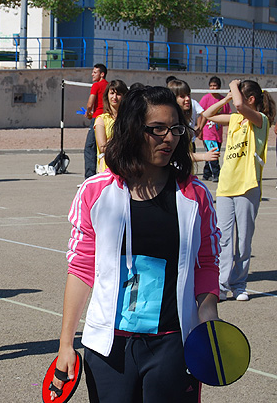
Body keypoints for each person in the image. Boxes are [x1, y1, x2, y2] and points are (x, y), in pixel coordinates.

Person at [50, 86, 220, 402]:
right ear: (132, 130)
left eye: (175, 129)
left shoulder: (195, 196)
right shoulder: (95, 192)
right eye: (157, 129)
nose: (169, 138)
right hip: (109, 347)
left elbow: (206, 262)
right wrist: (65, 344)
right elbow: (81, 268)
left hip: (173, 343)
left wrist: (208, 316)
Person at [201, 80, 275, 302]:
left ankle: (239, 284)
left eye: (236, 97)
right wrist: (226, 98)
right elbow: (208, 114)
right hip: (226, 187)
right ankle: (222, 285)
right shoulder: (234, 118)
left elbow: (241, 106)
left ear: (250, 99)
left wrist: (234, 85)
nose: (234, 102)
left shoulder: (260, 120)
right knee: (223, 239)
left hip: (247, 187)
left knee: (243, 241)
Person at [167, 79, 219, 166]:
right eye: (182, 96)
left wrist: (225, 100)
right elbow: (179, 156)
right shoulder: (173, 127)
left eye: (188, 95)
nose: (187, 99)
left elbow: (206, 114)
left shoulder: (186, 117)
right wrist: (204, 156)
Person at [198, 76, 230, 182]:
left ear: (219, 87)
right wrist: (200, 129)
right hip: (208, 134)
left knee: (212, 153)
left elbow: (228, 116)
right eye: (211, 86)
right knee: (213, 154)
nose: (213, 88)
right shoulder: (205, 98)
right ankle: (217, 174)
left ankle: (206, 174)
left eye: (215, 86)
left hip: (217, 134)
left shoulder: (223, 100)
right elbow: (201, 115)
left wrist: (228, 131)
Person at [94, 80, 127, 173]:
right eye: (112, 93)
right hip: (107, 169)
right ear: (107, 96)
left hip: (127, 168)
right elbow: (103, 147)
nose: (114, 97)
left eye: (118, 94)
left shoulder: (128, 119)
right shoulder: (101, 120)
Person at [84, 64, 108, 179]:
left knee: (90, 147)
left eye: (95, 72)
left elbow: (90, 104)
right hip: (108, 118)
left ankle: (90, 177)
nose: (92, 74)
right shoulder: (109, 86)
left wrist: (88, 112)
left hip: (98, 118)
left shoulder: (96, 85)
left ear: (102, 74)